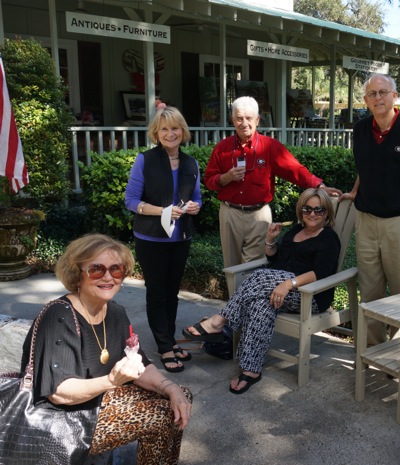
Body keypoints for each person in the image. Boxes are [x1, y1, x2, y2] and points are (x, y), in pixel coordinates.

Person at [20, 234, 192, 464]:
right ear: (77, 274)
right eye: (97, 269)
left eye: (116, 270)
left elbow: (139, 362)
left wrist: (170, 388)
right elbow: (58, 393)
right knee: (160, 416)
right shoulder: (59, 316)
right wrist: (112, 381)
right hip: (62, 420)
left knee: (179, 398)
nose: (108, 277)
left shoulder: (115, 312)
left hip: (97, 402)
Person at [182, 188, 340, 394]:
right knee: (260, 305)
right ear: (301, 211)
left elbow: (319, 273)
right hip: (279, 288)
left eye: (319, 210)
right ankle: (251, 369)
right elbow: (275, 260)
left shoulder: (329, 238)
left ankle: (218, 321)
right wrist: (270, 239)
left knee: (257, 276)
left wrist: (287, 284)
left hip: (310, 294)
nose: (312, 214)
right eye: (307, 209)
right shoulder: (295, 232)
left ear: (326, 213)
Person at [339, 73, 400, 346]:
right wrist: (356, 191)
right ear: (365, 100)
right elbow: (366, 169)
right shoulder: (360, 130)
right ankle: (371, 350)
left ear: (395, 96)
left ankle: (397, 352)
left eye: (383, 92)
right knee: (369, 291)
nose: (378, 98)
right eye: (373, 94)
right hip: (367, 221)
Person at [203, 96, 341, 271]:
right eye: (239, 118)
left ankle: (251, 299)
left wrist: (319, 186)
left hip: (259, 215)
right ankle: (234, 299)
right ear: (233, 120)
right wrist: (226, 178)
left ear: (257, 120)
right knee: (231, 267)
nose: (244, 123)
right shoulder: (222, 148)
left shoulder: (270, 147)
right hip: (229, 214)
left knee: (254, 268)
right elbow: (209, 181)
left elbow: (295, 170)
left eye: (249, 118)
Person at [124, 106, 202, 372]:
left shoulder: (191, 163)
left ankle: (167, 339)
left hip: (180, 237)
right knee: (157, 292)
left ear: (183, 131)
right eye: (165, 129)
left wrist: (194, 207)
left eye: (175, 128)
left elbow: (198, 198)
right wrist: (163, 212)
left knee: (172, 292)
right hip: (151, 237)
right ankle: (165, 347)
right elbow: (131, 201)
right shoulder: (144, 160)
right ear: (156, 133)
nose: (171, 133)